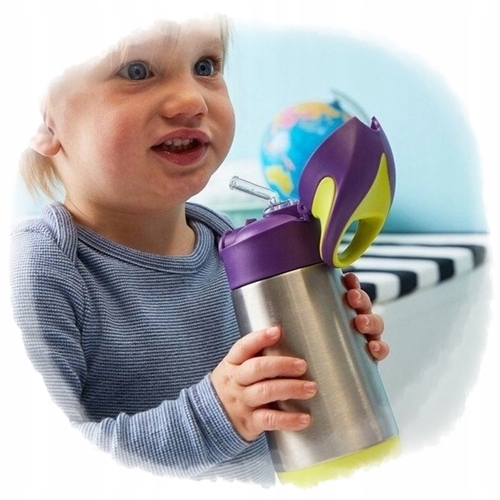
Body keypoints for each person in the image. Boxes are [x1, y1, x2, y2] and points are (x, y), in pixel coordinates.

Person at [10, 15, 389, 486]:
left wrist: (331, 356)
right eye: (137, 71)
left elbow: (270, 405)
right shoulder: (38, 270)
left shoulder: (225, 241)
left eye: (206, 66)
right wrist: (218, 414)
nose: (192, 99)